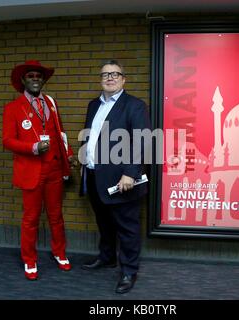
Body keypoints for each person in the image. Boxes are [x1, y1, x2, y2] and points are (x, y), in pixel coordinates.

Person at [80, 60, 151, 294]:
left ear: (123, 79)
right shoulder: (93, 105)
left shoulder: (135, 105)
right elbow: (92, 137)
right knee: (105, 223)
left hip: (122, 181)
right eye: (105, 75)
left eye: (115, 74)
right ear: (100, 80)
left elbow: (142, 141)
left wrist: (130, 174)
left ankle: (129, 270)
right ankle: (108, 257)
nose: (109, 78)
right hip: (94, 176)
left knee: (128, 228)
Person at [2, 60, 77, 280]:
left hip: (54, 167)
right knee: (31, 218)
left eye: (38, 76)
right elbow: (7, 140)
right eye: (31, 76)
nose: (35, 79)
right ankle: (30, 260)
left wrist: (69, 153)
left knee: (56, 215)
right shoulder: (13, 108)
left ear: (43, 80)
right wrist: (32, 147)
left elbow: (60, 133)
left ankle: (59, 252)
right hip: (31, 170)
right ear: (23, 81)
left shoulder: (51, 103)